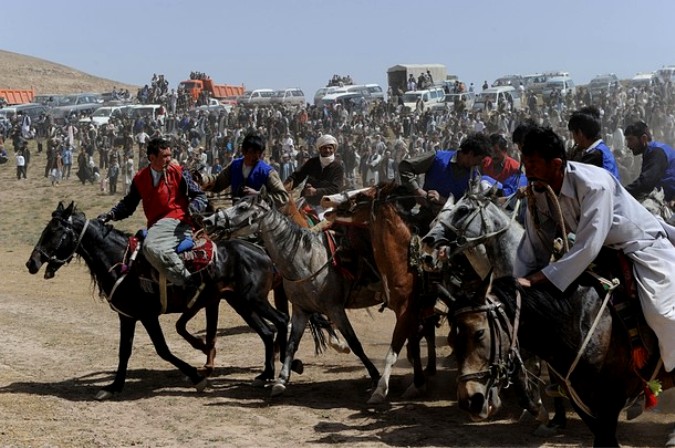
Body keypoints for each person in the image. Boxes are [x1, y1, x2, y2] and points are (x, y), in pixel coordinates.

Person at [514, 125, 675, 372]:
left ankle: (668, 370)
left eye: (533, 162)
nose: (528, 169)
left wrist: (538, 278)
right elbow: (534, 245)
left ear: (556, 164)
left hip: (640, 246)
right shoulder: (539, 191)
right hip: (596, 252)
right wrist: (519, 282)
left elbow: (588, 244)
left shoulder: (593, 184)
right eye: (525, 161)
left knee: (659, 312)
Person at [97, 136, 207, 288]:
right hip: (156, 227)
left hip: (178, 222)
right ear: (151, 158)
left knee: (150, 246)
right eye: (164, 156)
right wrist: (111, 214)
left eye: (170, 155)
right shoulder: (140, 178)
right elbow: (129, 204)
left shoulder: (179, 172)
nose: (169, 159)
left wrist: (193, 208)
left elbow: (200, 195)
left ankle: (189, 282)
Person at [398, 132, 492, 206]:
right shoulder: (437, 157)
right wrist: (417, 190)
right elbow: (405, 166)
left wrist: (444, 201)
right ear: (470, 154)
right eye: (479, 159)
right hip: (427, 215)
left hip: (453, 223)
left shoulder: (474, 176)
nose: (479, 163)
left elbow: (470, 205)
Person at [198, 133, 289, 207]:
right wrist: (202, 179)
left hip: (260, 219)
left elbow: (283, 197)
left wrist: (259, 195)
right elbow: (218, 182)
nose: (256, 157)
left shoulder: (267, 172)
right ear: (243, 151)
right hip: (237, 216)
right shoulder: (235, 166)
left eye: (259, 153)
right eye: (252, 153)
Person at [284, 134, 344, 213]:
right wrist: (286, 186)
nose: (328, 150)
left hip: (326, 206)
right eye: (325, 148)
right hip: (306, 202)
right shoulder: (312, 162)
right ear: (320, 149)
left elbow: (336, 189)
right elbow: (298, 176)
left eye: (330, 148)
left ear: (334, 149)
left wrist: (316, 191)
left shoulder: (338, 167)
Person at [624, 121, 675, 201]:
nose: (628, 145)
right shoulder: (651, 151)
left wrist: (623, 192)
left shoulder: (657, 152)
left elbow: (646, 183)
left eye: (631, 140)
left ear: (643, 138)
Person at [567, 106, 620, 180]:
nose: (573, 137)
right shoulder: (602, 149)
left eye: (573, 133)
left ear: (580, 133)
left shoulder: (594, 156)